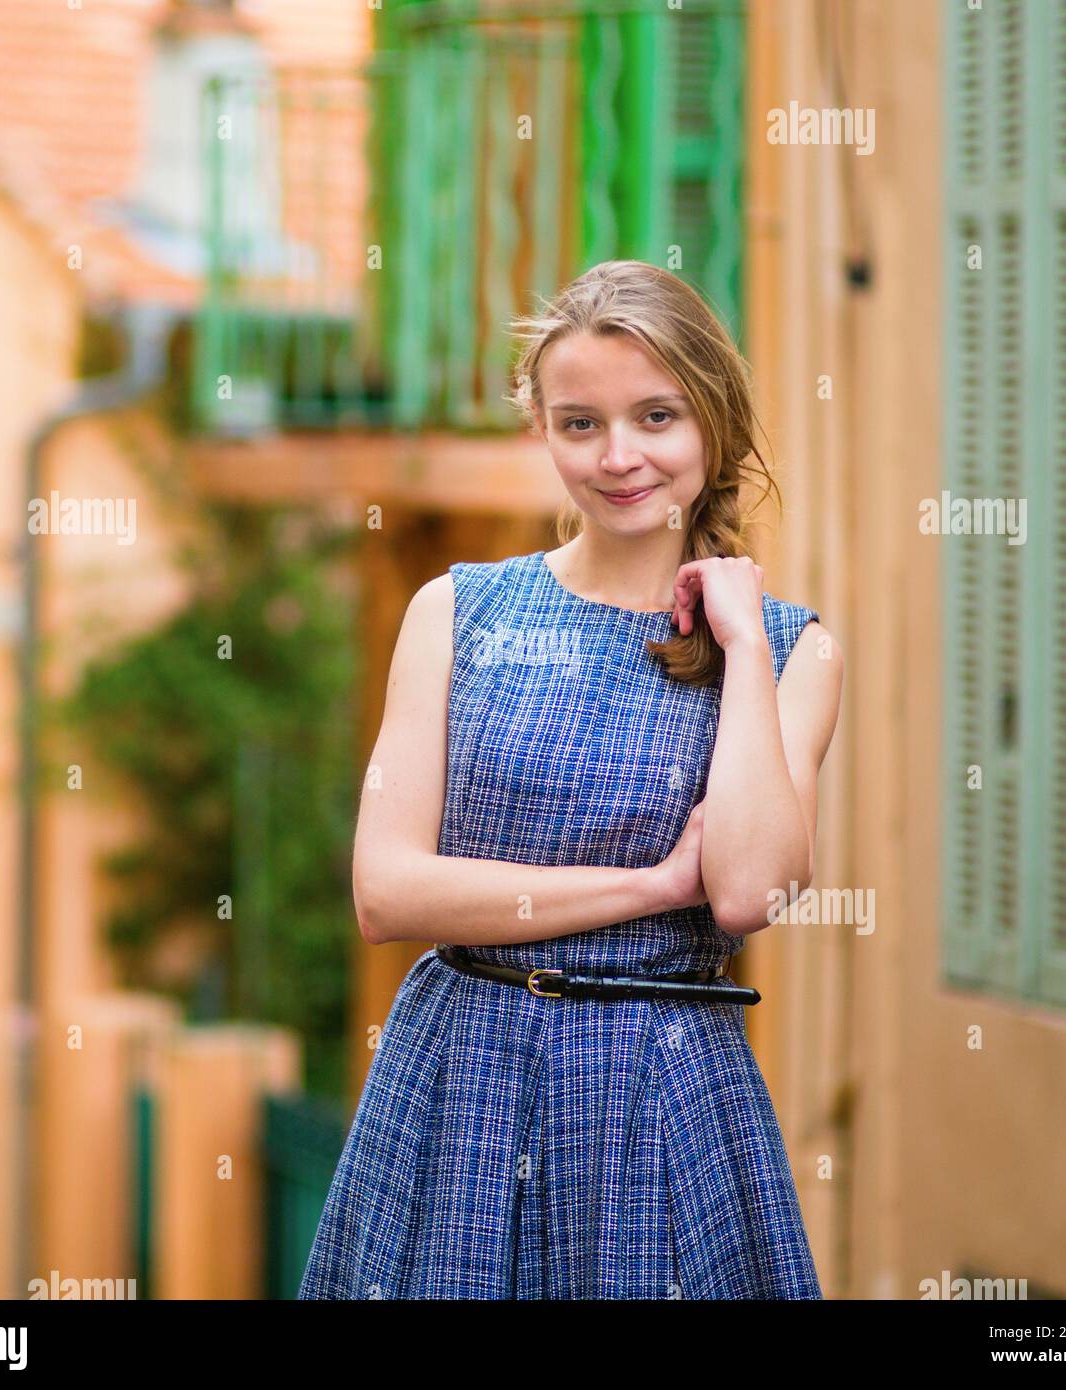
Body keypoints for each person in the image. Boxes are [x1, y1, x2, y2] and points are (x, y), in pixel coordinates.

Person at [299, 260, 843, 1299]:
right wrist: (647, 886)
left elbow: (746, 889)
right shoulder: (457, 611)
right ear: (541, 431)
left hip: (667, 1091)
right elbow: (387, 890)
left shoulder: (791, 650)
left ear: (714, 424)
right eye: (579, 423)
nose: (619, 455)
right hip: (463, 1076)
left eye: (655, 416)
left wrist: (741, 643)